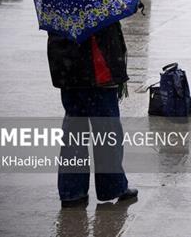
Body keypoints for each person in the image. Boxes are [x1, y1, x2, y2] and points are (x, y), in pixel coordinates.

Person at [47, 22, 138, 208]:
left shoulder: (58, 1)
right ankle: (112, 186)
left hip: (68, 70)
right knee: (107, 131)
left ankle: (72, 192)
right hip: (97, 70)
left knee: (74, 130)